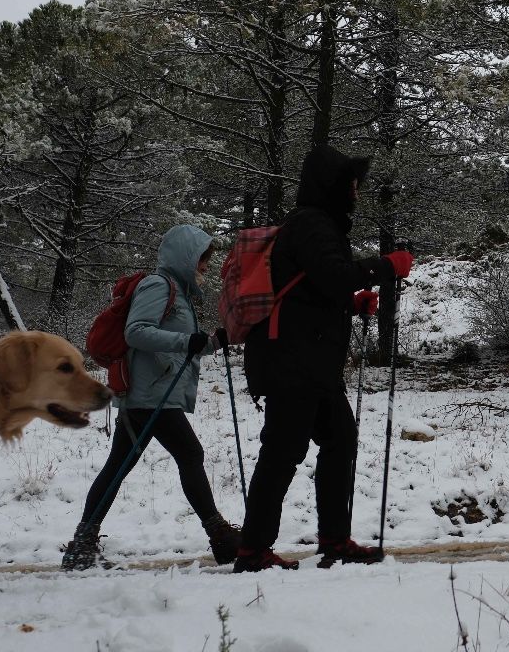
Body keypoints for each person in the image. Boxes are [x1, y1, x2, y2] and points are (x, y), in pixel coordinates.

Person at [233, 145, 414, 572]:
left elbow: (310, 293)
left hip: (306, 359)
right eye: (351, 183)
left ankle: (333, 539)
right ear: (332, 185)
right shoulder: (312, 224)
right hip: (293, 362)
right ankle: (253, 550)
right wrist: (386, 266)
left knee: (338, 439)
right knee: (283, 451)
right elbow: (333, 276)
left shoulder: (315, 226)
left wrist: (352, 306)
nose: (355, 191)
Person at [62, 224, 239, 571]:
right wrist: (186, 341)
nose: (206, 266)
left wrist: (213, 342)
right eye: (202, 259)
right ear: (186, 257)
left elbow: (180, 348)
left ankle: (81, 546)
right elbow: (137, 332)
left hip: (150, 393)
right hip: (149, 394)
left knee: (120, 465)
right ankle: (221, 537)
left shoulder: (181, 295)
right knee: (190, 453)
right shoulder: (159, 285)